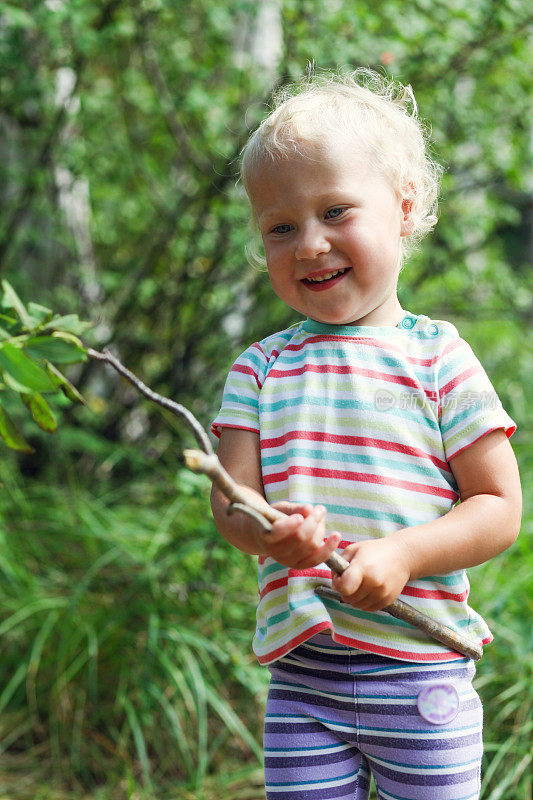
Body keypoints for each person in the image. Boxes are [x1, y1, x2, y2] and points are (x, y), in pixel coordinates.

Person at [210, 68, 522, 800]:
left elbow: (498, 507)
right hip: (303, 681)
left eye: (334, 211)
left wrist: (403, 553)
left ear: (404, 207)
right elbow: (232, 504)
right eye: (280, 227)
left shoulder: (438, 357)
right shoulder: (258, 370)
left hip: (419, 670)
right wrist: (267, 537)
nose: (309, 245)